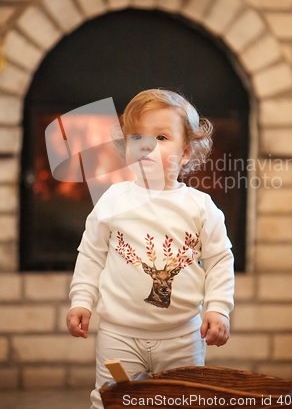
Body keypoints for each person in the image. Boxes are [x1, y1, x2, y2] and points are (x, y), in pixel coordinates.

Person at [66, 89, 234, 409]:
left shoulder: (200, 206)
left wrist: (218, 307)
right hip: (119, 334)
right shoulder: (114, 199)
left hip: (183, 336)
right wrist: (81, 300)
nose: (146, 146)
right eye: (137, 137)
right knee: (112, 400)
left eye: (160, 136)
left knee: (183, 401)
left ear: (185, 152)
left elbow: (219, 260)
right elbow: (90, 254)